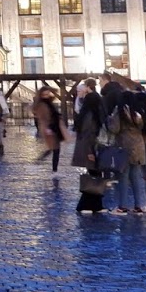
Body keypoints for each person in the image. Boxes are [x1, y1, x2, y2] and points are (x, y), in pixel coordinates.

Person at [71, 79, 106, 214]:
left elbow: (89, 133)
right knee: (95, 174)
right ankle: (95, 205)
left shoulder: (88, 116)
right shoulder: (95, 112)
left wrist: (91, 151)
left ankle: (88, 205)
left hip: (89, 147)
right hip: (90, 146)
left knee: (93, 174)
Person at [33, 86, 64, 171]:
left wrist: (50, 89)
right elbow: (43, 118)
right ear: (41, 95)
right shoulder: (42, 104)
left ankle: (43, 160)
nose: (46, 95)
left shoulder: (49, 101)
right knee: (55, 149)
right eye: (44, 94)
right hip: (49, 128)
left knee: (54, 149)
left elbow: (56, 91)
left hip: (54, 127)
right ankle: (53, 169)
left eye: (47, 93)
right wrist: (47, 128)